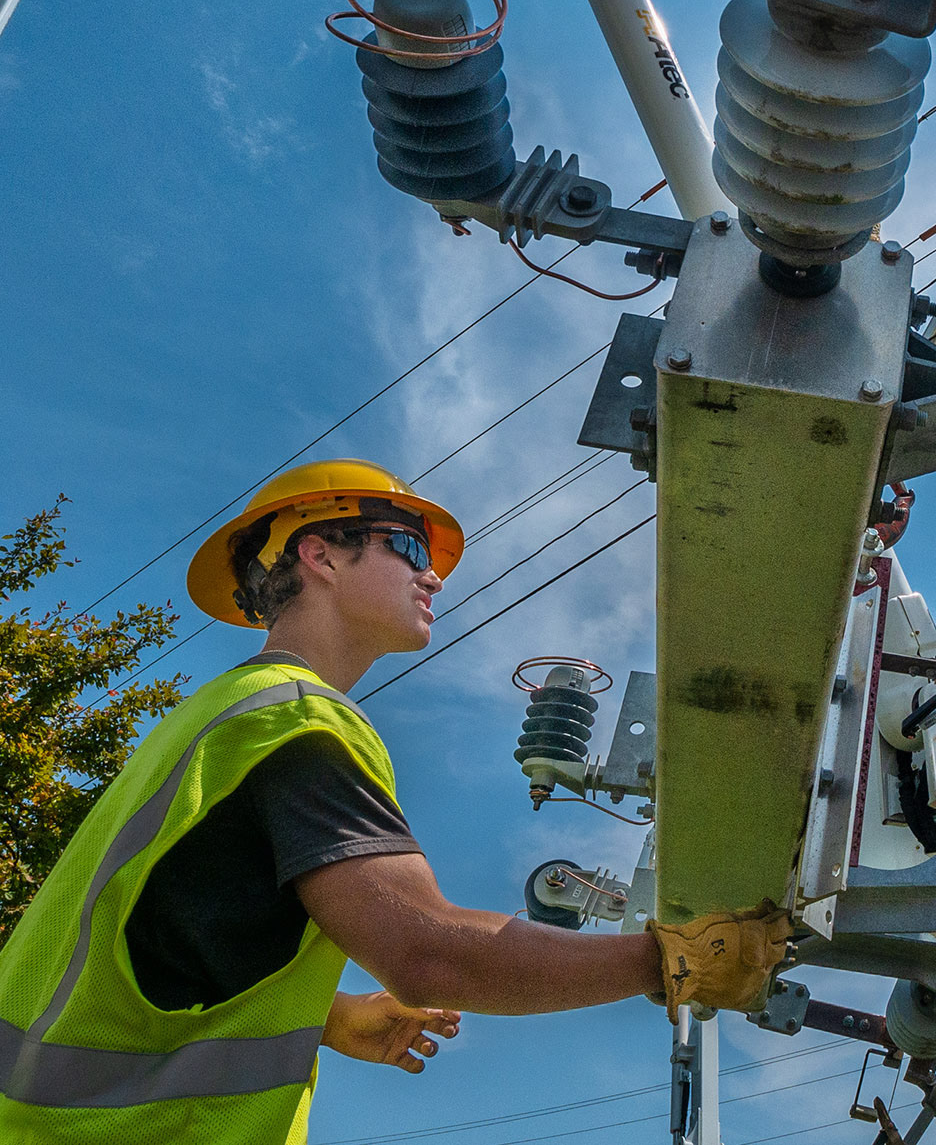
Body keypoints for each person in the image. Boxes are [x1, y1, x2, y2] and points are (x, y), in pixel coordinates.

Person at [0, 459, 785, 1142]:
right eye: (408, 546)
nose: (434, 574)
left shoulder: (216, 717)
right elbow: (430, 953)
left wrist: (329, 1016)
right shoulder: (296, 724)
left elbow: (166, 940)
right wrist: (673, 960)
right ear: (320, 555)